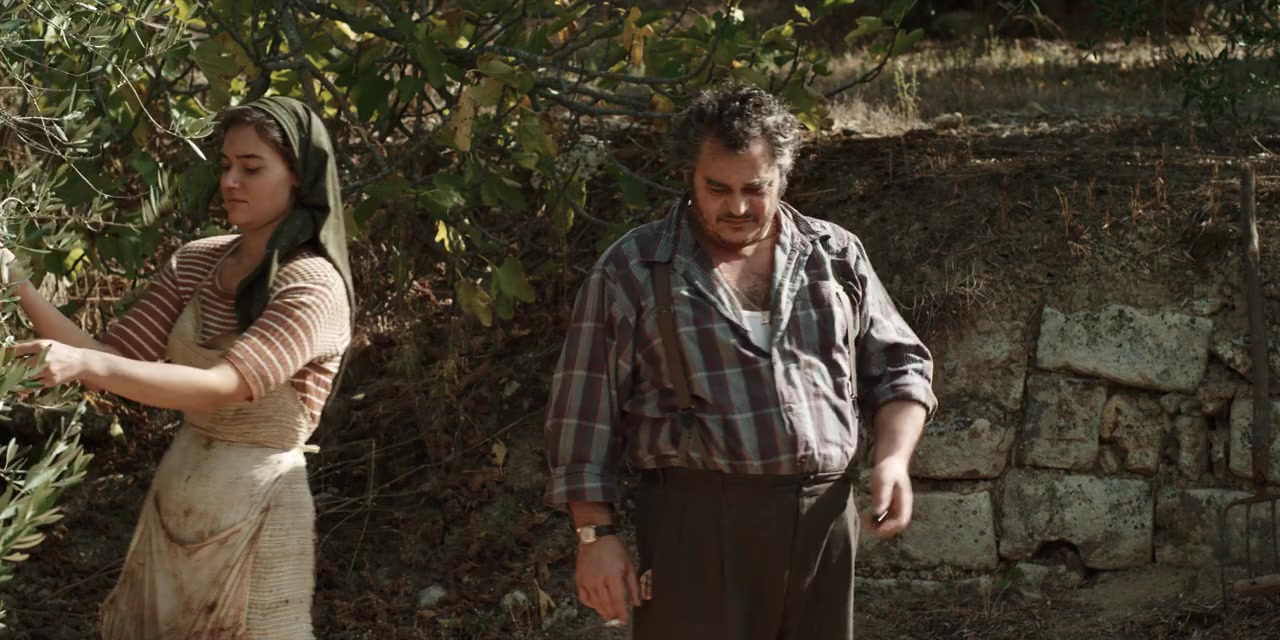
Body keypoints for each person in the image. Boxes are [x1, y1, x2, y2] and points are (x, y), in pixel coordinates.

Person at [543, 82, 937, 639]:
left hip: (823, 520)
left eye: (756, 188)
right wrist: (594, 536)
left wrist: (893, 460)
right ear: (689, 176)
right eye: (718, 188)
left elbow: (901, 366)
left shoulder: (834, 255)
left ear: (782, 176)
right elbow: (584, 416)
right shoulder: (633, 269)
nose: (737, 207)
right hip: (696, 526)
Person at [1, 96, 354, 638]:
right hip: (178, 493)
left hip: (261, 502)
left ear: (298, 178)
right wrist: (16, 279)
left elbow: (225, 385)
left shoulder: (313, 286)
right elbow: (114, 358)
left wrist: (83, 362)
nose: (230, 181)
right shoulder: (198, 260)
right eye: (226, 165)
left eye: (251, 168)